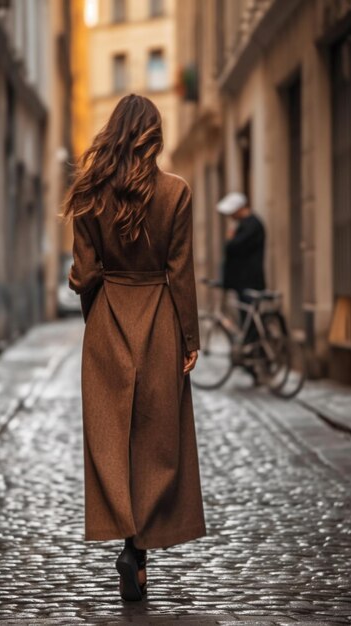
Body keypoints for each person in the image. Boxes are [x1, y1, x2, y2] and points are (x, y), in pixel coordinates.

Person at [64, 94, 206, 602]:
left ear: (113, 132)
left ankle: (129, 547)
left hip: (107, 322)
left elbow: (85, 276)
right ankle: (136, 549)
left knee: (111, 440)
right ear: (153, 134)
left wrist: (95, 323)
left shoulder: (90, 193)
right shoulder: (176, 193)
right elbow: (180, 272)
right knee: (156, 439)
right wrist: (190, 338)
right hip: (161, 321)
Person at [217, 192, 266, 347]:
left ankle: (257, 354)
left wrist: (231, 239)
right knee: (245, 319)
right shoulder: (247, 224)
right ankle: (251, 352)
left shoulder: (252, 225)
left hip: (249, 280)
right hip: (243, 280)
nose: (230, 216)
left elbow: (233, 247)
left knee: (249, 322)